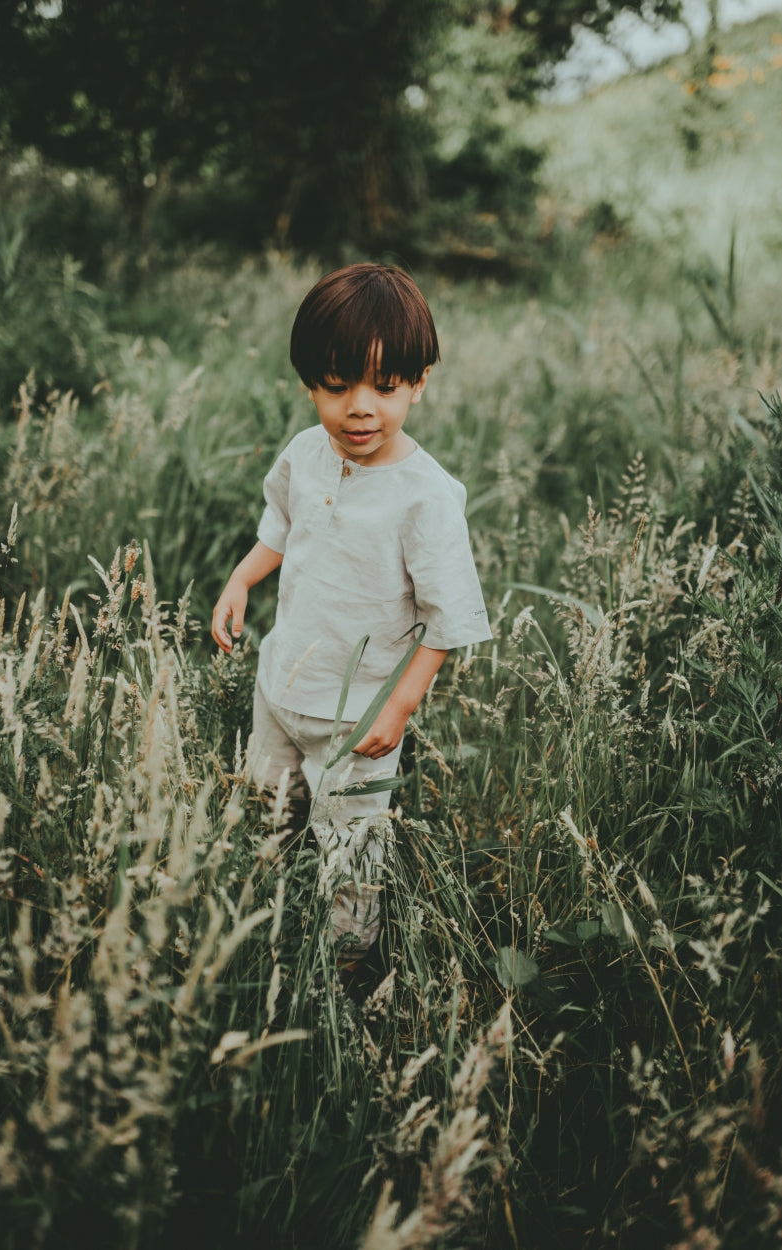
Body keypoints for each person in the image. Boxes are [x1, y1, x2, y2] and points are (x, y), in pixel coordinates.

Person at [211, 263, 491, 965]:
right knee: (267, 813)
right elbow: (279, 525)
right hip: (281, 687)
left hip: (357, 714)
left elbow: (445, 618)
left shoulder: (424, 496)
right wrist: (242, 580)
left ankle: (342, 962)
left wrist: (395, 710)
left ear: (419, 381)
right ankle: (258, 928)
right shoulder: (306, 454)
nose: (358, 407)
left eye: (384, 387)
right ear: (309, 382)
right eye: (335, 387)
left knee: (351, 842)